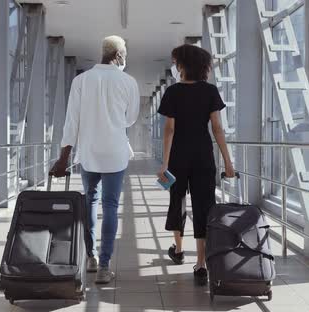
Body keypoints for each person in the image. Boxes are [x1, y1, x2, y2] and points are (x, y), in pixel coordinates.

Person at [50, 35, 140, 284]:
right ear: (120, 55)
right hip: (115, 152)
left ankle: (89, 256)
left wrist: (63, 158)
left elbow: (72, 122)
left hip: (88, 152)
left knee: (90, 201)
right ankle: (104, 266)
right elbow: (130, 118)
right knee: (110, 206)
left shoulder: (81, 80)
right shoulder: (128, 82)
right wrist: (113, 119)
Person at [157, 44, 235, 286]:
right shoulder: (210, 91)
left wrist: (165, 164)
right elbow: (217, 128)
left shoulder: (172, 93)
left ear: (182, 65)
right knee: (203, 207)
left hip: (179, 156)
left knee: (177, 201)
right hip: (203, 156)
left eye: (177, 62)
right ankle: (201, 264)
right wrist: (228, 162)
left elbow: (169, 130)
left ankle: (178, 250)